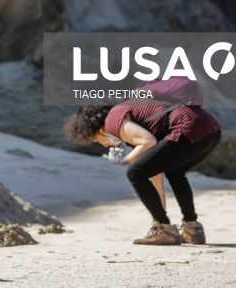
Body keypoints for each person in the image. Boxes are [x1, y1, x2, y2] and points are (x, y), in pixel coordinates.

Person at [64, 100, 222, 245]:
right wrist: (158, 218)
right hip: (210, 127)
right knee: (174, 172)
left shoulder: (112, 120)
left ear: (96, 128)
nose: (104, 144)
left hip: (189, 126)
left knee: (134, 172)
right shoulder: (131, 121)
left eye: (96, 140)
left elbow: (149, 141)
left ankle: (166, 231)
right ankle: (192, 228)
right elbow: (155, 175)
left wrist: (125, 160)